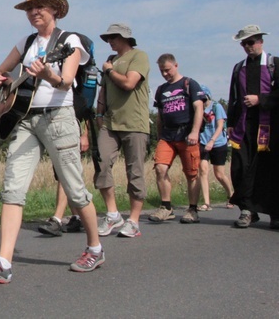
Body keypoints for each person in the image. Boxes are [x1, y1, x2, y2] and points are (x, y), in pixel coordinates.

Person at [0, 0, 105, 284]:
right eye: (30, 8)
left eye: (40, 6)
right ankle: (4, 262)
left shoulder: (69, 41)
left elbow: (66, 80)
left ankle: (95, 247)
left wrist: (49, 74)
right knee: (12, 188)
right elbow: (0, 72)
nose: (33, 12)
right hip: (25, 120)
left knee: (73, 187)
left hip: (59, 118)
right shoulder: (26, 41)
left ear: (55, 9)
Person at [94, 23, 150, 238]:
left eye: (113, 37)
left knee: (134, 171)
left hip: (134, 123)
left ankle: (134, 221)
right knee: (101, 163)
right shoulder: (112, 61)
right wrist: (99, 115)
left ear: (125, 37)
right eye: (108, 37)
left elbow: (129, 83)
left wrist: (109, 70)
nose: (110, 41)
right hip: (110, 123)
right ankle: (112, 214)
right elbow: (104, 90)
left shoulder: (139, 56)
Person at [227, 24, 279, 229]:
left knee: (270, 171)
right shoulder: (239, 68)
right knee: (241, 168)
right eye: (244, 43)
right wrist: (230, 123)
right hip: (243, 127)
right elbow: (233, 98)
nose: (248, 46)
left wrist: (261, 99)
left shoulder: (274, 64)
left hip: (271, 127)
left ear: (261, 42)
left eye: (252, 42)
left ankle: (275, 213)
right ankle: (247, 210)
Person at [148, 54, 206, 224]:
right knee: (160, 168)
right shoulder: (161, 90)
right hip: (167, 136)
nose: (165, 74)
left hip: (187, 135)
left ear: (176, 65)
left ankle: (193, 209)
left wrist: (195, 132)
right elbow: (159, 115)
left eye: (167, 70)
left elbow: (199, 108)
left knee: (191, 174)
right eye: (161, 71)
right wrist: (159, 137)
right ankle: (166, 207)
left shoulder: (189, 84)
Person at [37, 118, 91, 236]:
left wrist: (85, 135)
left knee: (65, 175)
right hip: (57, 132)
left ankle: (57, 219)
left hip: (71, 132)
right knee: (66, 177)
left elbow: (85, 110)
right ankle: (77, 218)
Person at [197, 85, 234, 211]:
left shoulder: (216, 106)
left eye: (203, 98)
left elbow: (219, 126)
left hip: (218, 142)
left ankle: (231, 195)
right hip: (202, 141)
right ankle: (206, 203)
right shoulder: (198, 109)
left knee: (219, 174)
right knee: (203, 170)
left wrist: (212, 141)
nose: (202, 100)